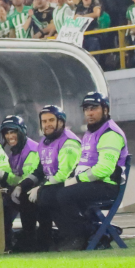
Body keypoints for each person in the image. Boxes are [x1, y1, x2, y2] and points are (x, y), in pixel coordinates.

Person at [38, 93, 126, 250]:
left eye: (94, 108)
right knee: (46, 194)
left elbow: (104, 169)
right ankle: (73, 234)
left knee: (64, 194)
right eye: (86, 109)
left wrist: (77, 180)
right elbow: (82, 163)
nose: (89, 113)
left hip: (107, 185)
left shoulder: (110, 134)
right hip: (90, 182)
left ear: (105, 110)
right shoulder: (90, 133)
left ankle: (83, 235)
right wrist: (73, 177)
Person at [27, 105, 81, 252]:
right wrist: (23, 185)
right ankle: (42, 240)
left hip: (72, 185)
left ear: (61, 122)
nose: (47, 124)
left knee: (46, 196)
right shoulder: (43, 142)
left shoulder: (68, 142)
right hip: (55, 184)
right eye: (44, 121)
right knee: (27, 195)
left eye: (51, 120)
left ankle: (74, 237)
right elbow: (39, 170)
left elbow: (64, 174)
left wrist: (41, 187)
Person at [0, 115, 40, 252]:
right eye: (6, 133)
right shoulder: (15, 152)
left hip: (37, 191)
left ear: (22, 132)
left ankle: (29, 242)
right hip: (22, 192)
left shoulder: (32, 150)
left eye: (13, 132)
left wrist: (3, 175)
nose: (9, 136)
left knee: (23, 198)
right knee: (2, 203)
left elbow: (28, 180)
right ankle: (5, 242)